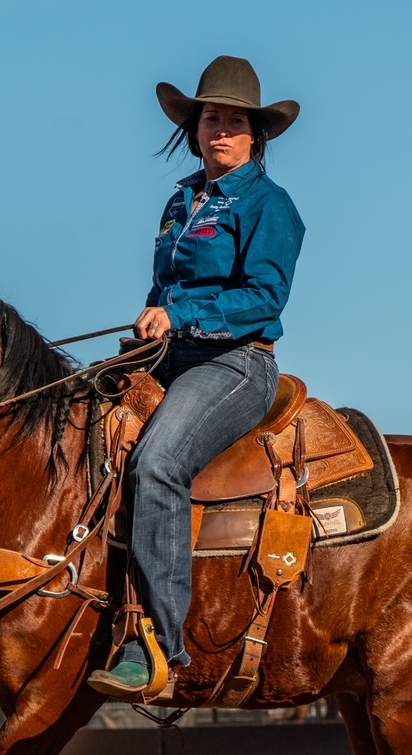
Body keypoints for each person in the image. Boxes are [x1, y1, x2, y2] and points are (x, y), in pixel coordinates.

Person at [87, 56, 304, 698]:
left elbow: (265, 298)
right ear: (195, 128)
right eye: (212, 118)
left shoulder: (269, 205)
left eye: (236, 121)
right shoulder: (180, 200)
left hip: (236, 363)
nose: (222, 131)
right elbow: (165, 289)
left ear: (256, 134)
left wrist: (177, 317)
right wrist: (146, 335)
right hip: (169, 357)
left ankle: (158, 642)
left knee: (158, 464)